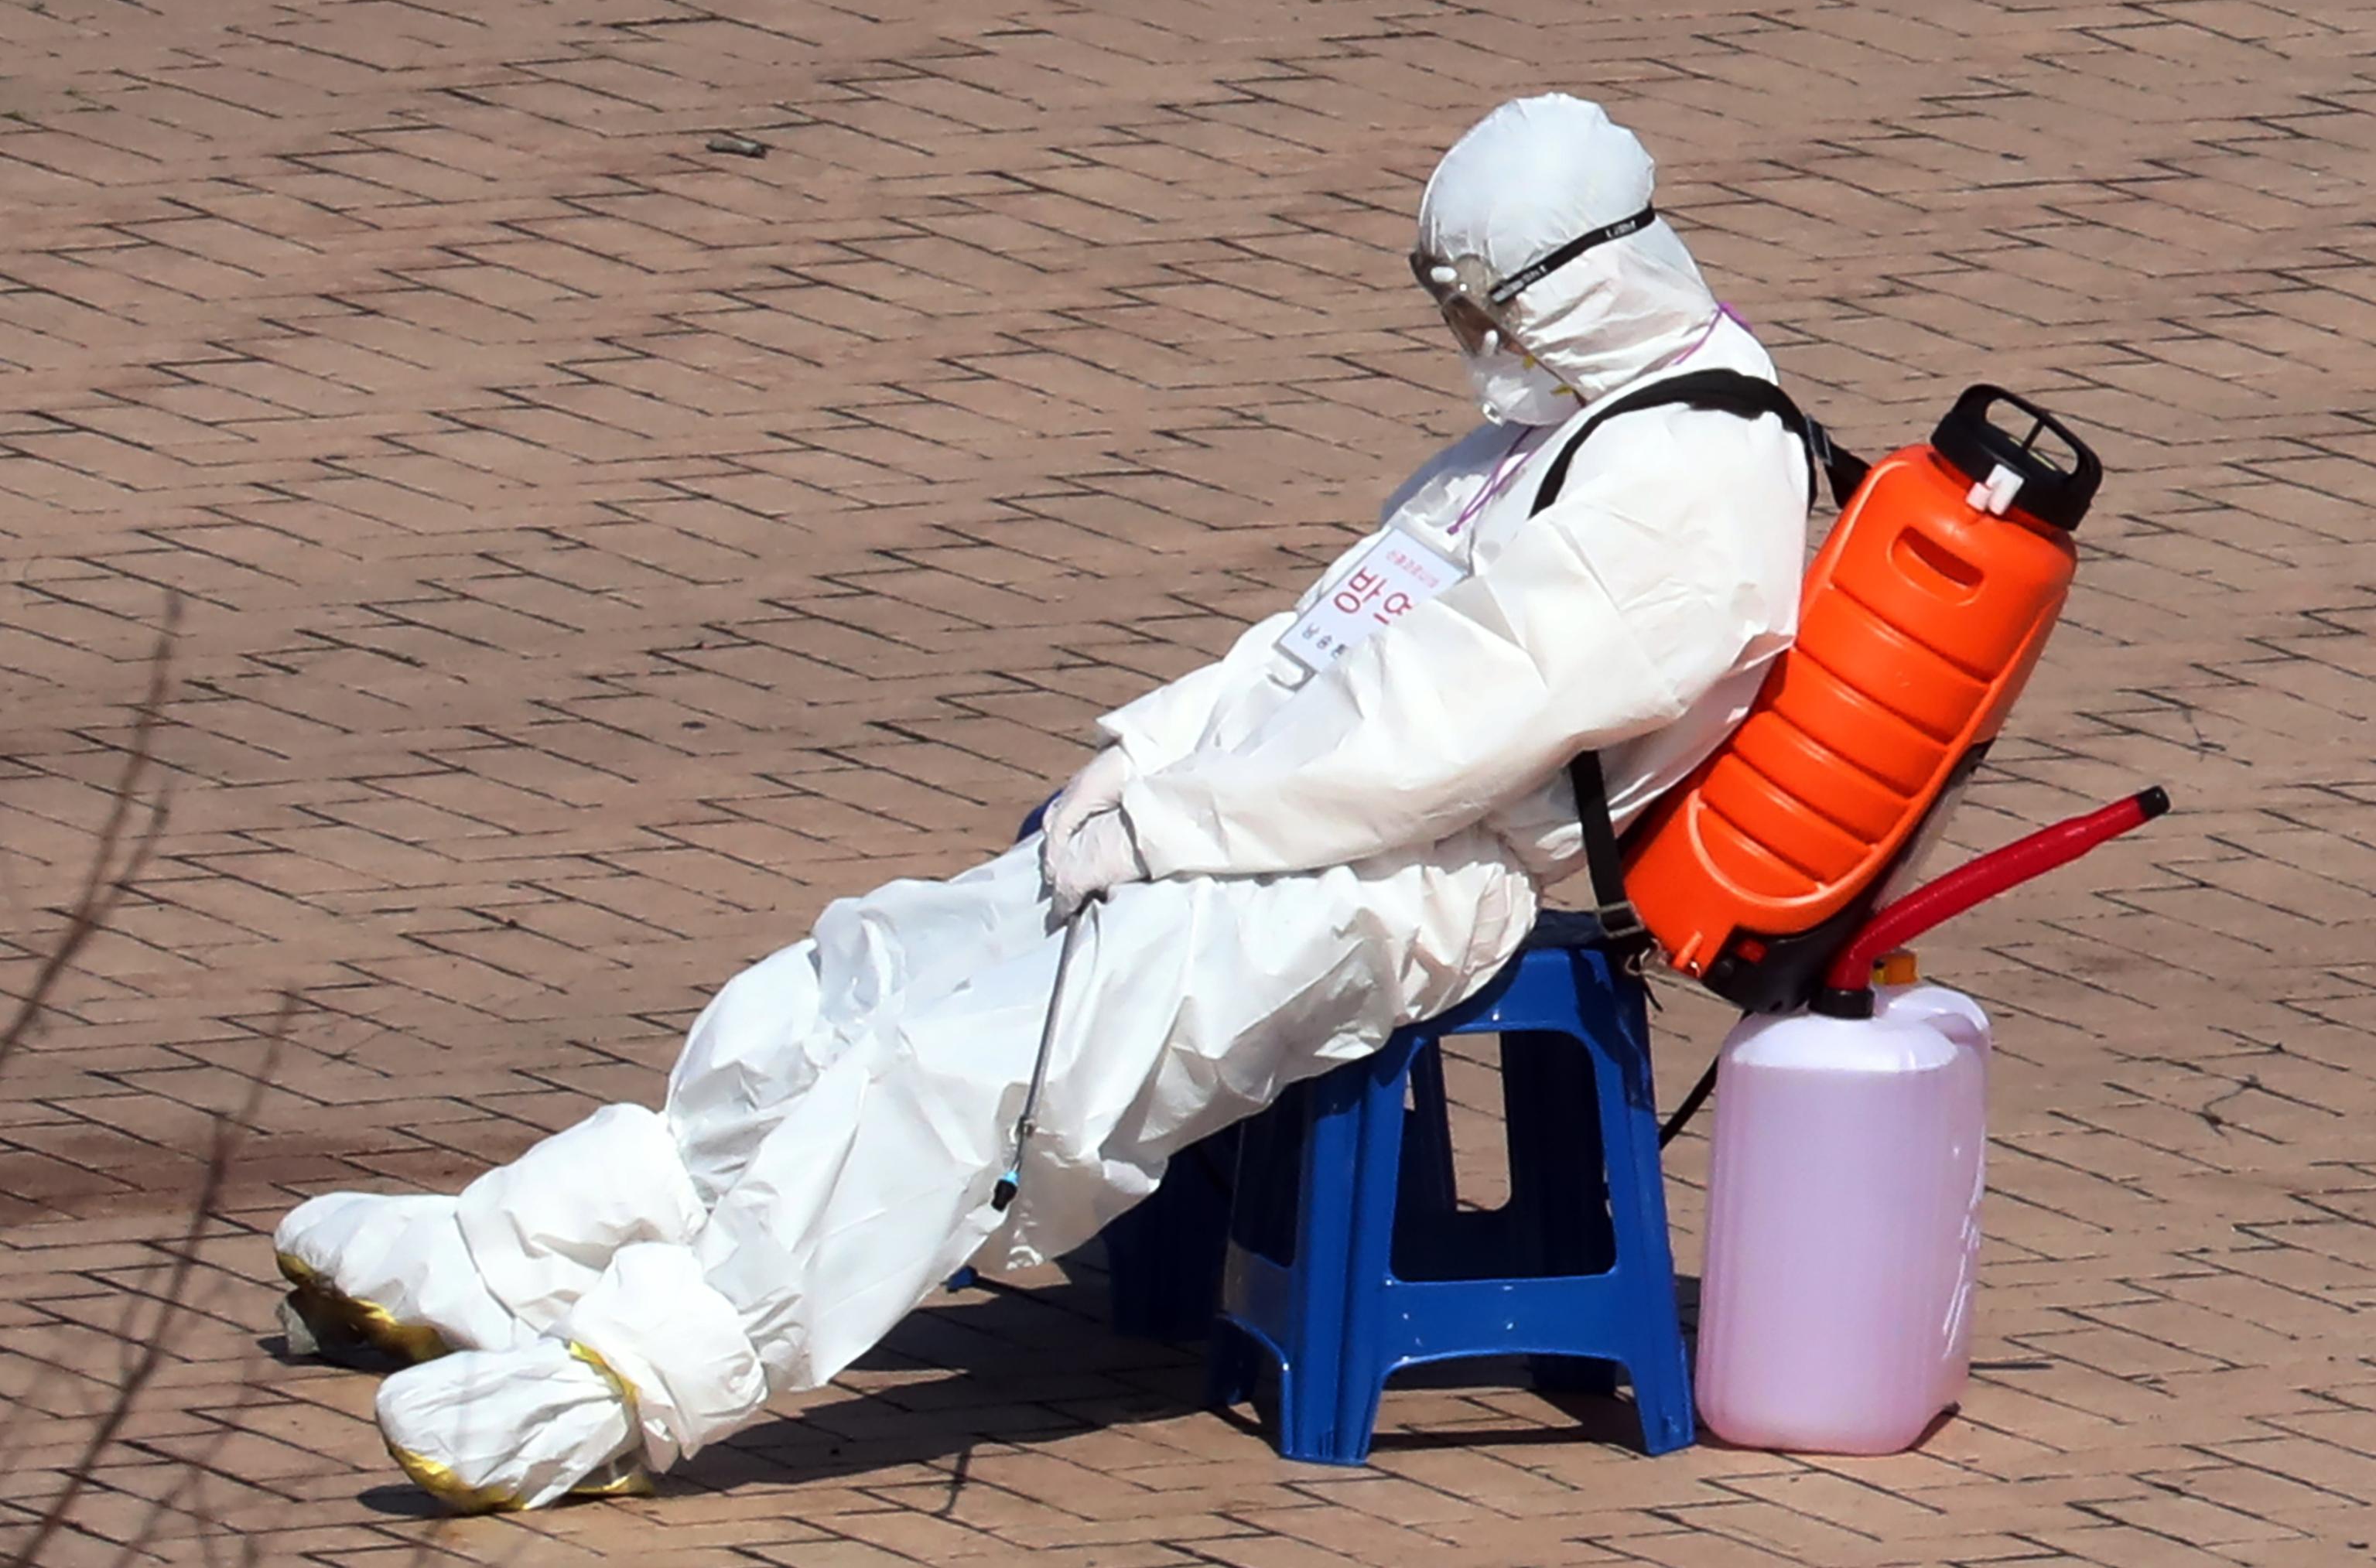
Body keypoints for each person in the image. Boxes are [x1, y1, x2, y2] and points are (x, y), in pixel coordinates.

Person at [271, 92, 1811, 1511]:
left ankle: (623, 1391)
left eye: (1494, 309)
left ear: (1585, 280)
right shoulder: (1573, 415)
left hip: (1391, 881)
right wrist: (1145, 760)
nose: (1473, 340)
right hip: (1266, 822)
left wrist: (1174, 821)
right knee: (861, 977)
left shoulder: (1685, 481)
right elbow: (1326, 639)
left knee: (965, 1076)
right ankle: (514, 1254)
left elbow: (1431, 741)